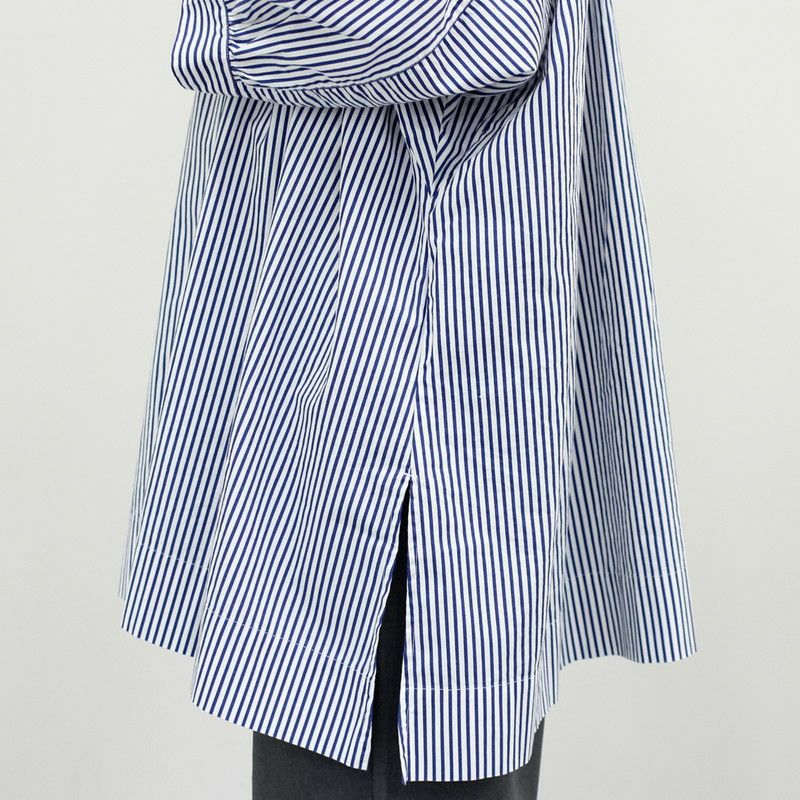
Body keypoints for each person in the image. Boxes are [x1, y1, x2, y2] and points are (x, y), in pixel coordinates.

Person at [119, 2, 698, 796]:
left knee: (437, 727)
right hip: (339, 362)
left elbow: (463, 31)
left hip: (425, 372)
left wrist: (226, 26)